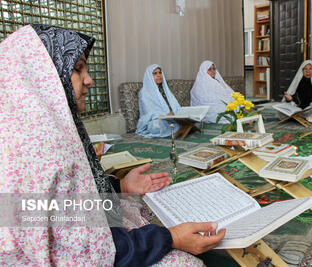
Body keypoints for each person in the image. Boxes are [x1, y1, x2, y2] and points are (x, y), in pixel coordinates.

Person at [0, 24, 225, 266]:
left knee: (131, 207)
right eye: (77, 69)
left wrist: (120, 185)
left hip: (89, 238)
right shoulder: (40, 150)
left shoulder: (33, 127)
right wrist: (171, 238)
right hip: (93, 252)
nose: (89, 80)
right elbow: (93, 253)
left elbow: (65, 202)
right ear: (40, 77)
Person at [136, 65, 181, 138]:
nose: (159, 75)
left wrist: (175, 112)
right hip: (157, 119)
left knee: (189, 120)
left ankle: (176, 126)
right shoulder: (144, 92)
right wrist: (165, 115)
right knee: (156, 125)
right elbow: (149, 112)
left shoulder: (165, 89)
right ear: (149, 76)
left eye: (160, 73)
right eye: (155, 73)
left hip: (172, 116)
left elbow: (175, 105)